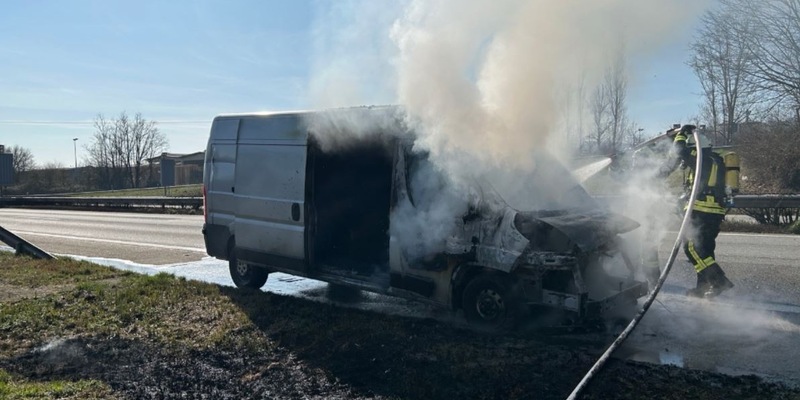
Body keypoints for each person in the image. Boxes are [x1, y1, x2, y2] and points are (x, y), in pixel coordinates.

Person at [659, 124, 734, 298]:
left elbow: (680, 152)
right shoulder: (716, 160)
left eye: (692, 149)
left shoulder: (702, 158)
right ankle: (702, 288)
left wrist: (682, 135)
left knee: (691, 247)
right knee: (705, 250)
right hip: (713, 212)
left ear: (697, 148)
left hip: (701, 210)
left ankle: (719, 280)